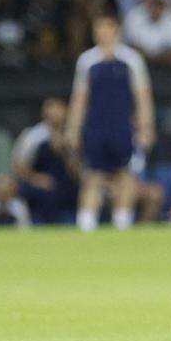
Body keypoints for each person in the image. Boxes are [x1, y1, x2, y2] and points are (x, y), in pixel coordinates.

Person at [66, 13, 155, 232]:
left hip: (121, 126)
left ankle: (122, 221)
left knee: (125, 175)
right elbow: (79, 99)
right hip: (96, 126)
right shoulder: (87, 61)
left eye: (105, 28)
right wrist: (73, 129)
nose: (100, 33)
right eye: (97, 29)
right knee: (92, 176)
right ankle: (86, 223)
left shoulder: (131, 60)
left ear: (116, 31)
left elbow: (142, 97)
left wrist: (146, 127)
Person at [12, 98, 79, 224]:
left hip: (67, 186)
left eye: (59, 108)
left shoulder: (73, 136)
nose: (55, 113)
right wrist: (36, 178)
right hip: (42, 187)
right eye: (51, 109)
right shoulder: (33, 136)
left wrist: (65, 151)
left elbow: (78, 169)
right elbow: (19, 166)